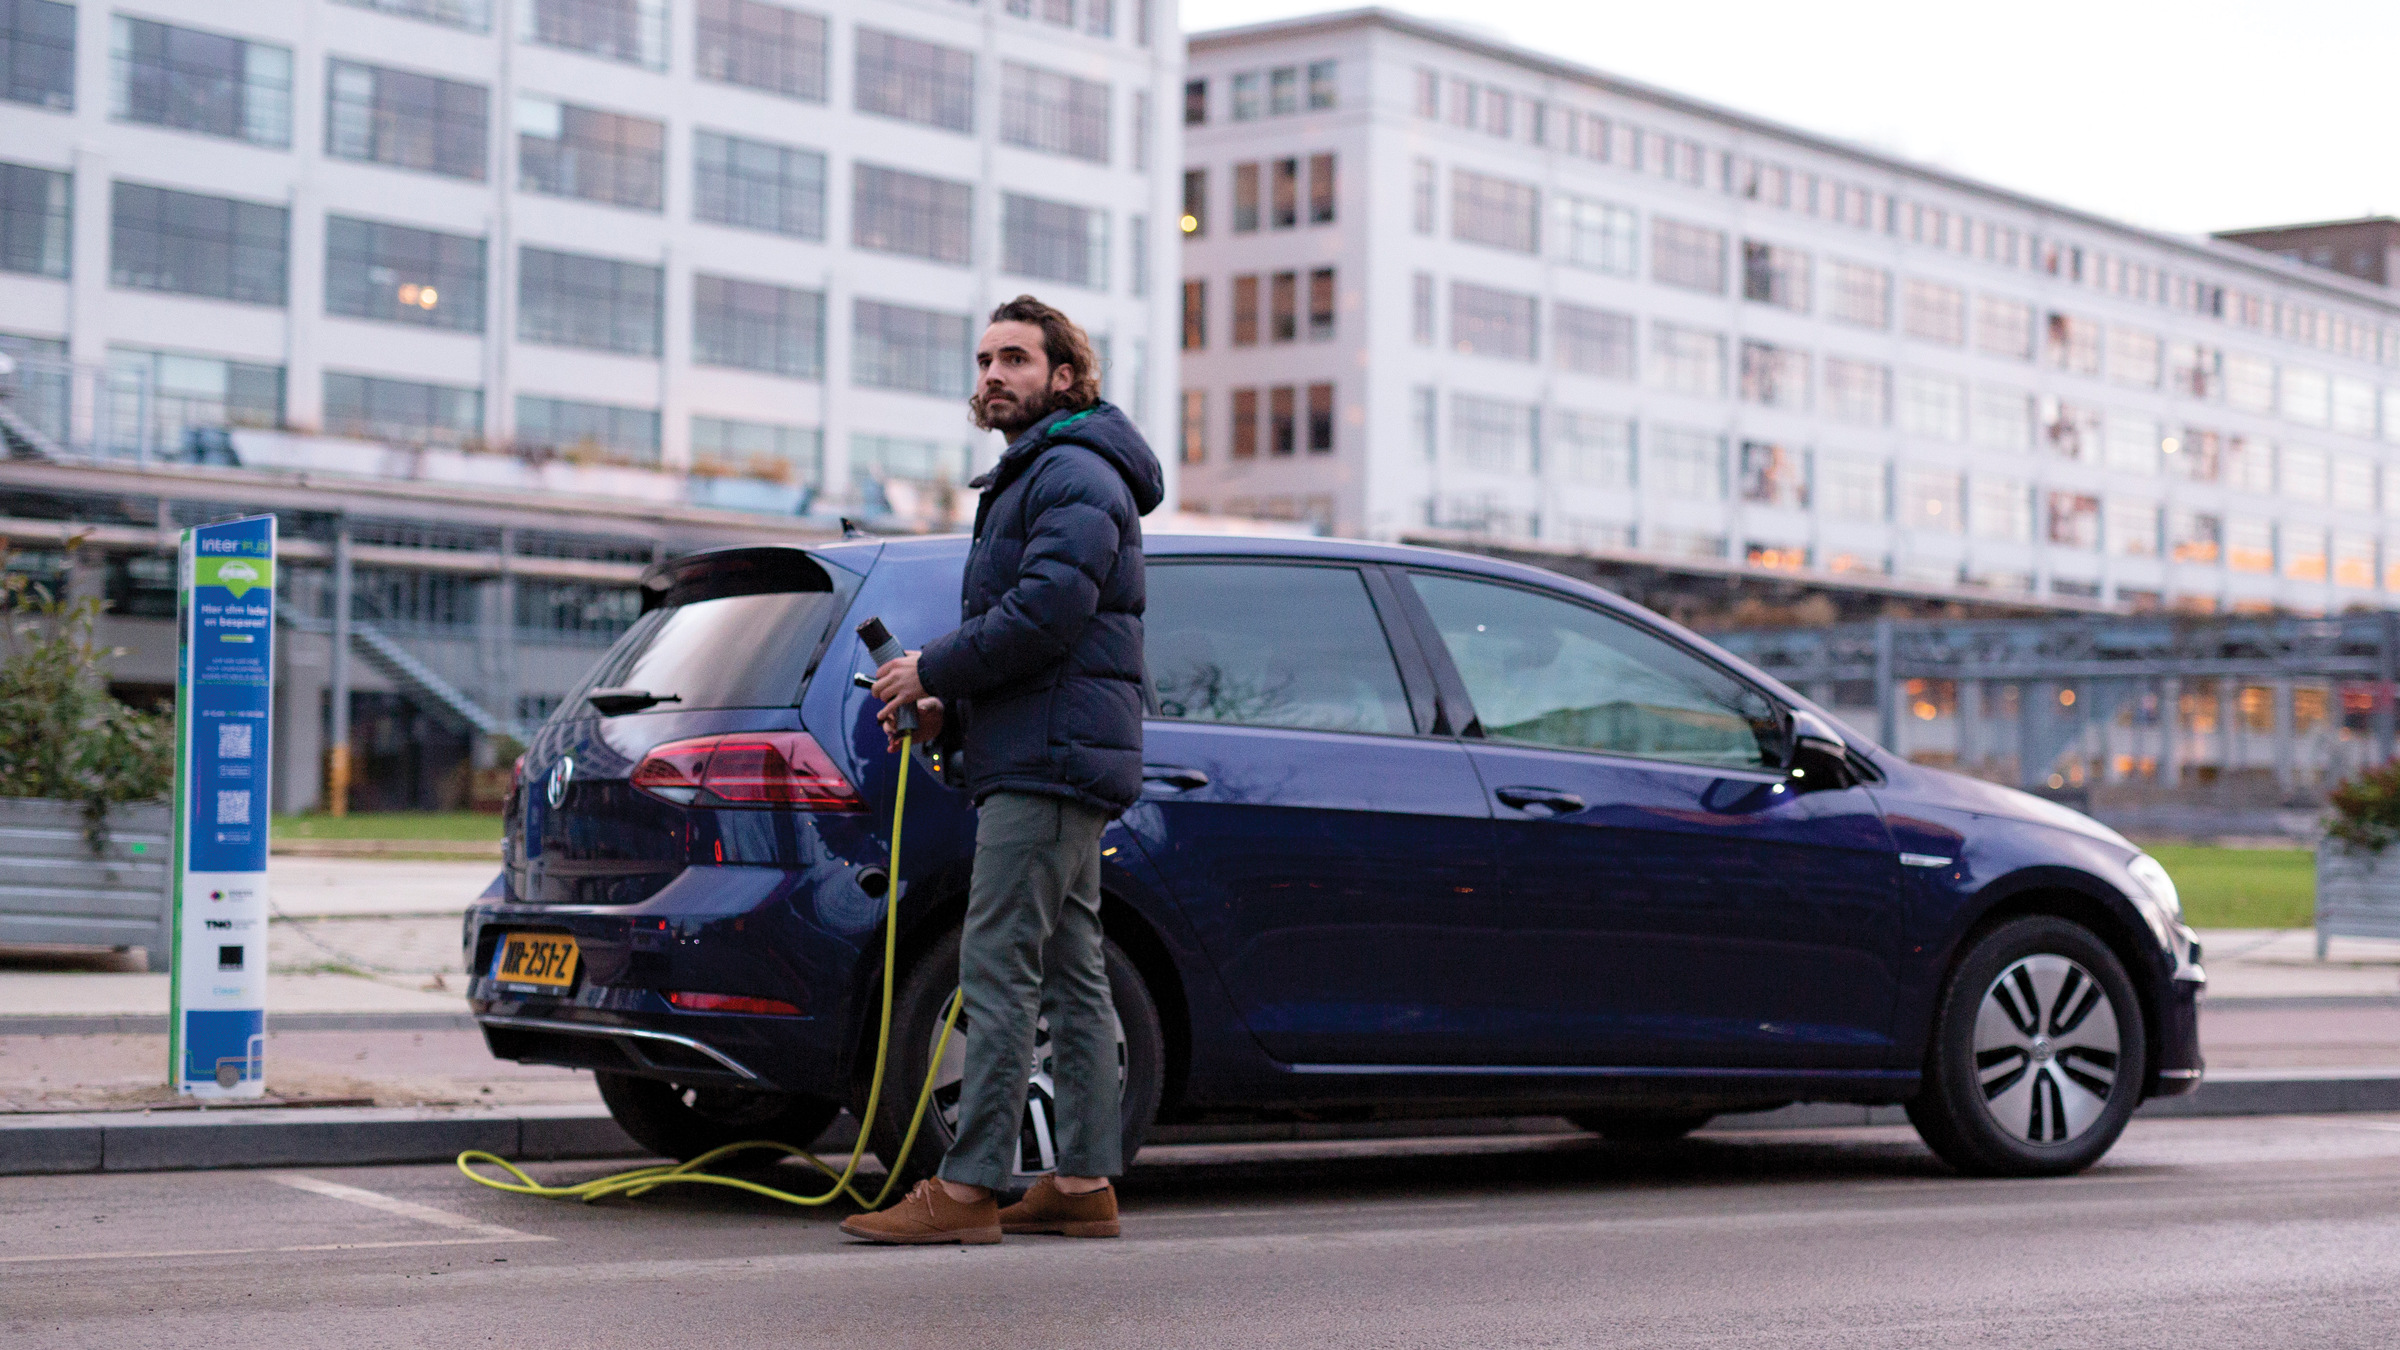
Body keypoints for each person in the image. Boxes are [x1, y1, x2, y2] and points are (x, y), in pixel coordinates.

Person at [841, 296, 1164, 1245]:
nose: (990, 376)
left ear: (1065, 377)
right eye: (983, 361)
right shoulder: (1040, 473)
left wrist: (931, 668)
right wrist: (951, 704)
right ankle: (1083, 1182)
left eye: (1014, 359)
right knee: (1070, 967)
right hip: (1047, 749)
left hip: (1051, 763)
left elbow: (1049, 613)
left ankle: (970, 1186)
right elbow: (1044, 637)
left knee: (997, 963)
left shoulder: (1074, 472)